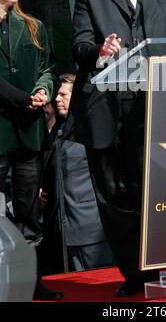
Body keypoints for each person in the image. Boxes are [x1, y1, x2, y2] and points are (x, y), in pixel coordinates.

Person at [64, 0, 166, 296]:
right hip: (108, 107)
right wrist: (100, 51)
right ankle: (134, 273)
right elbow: (80, 45)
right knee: (118, 195)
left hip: (156, 104)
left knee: (157, 190)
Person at [0, 0, 62, 301]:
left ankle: (31, 282)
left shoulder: (33, 27)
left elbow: (47, 69)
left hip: (28, 134)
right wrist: (23, 99)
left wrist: (43, 91)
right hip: (2, 131)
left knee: (28, 211)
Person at [40, 74, 113, 274]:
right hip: (62, 231)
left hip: (91, 231)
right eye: (57, 94)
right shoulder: (57, 130)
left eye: (63, 94)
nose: (57, 99)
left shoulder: (91, 129)